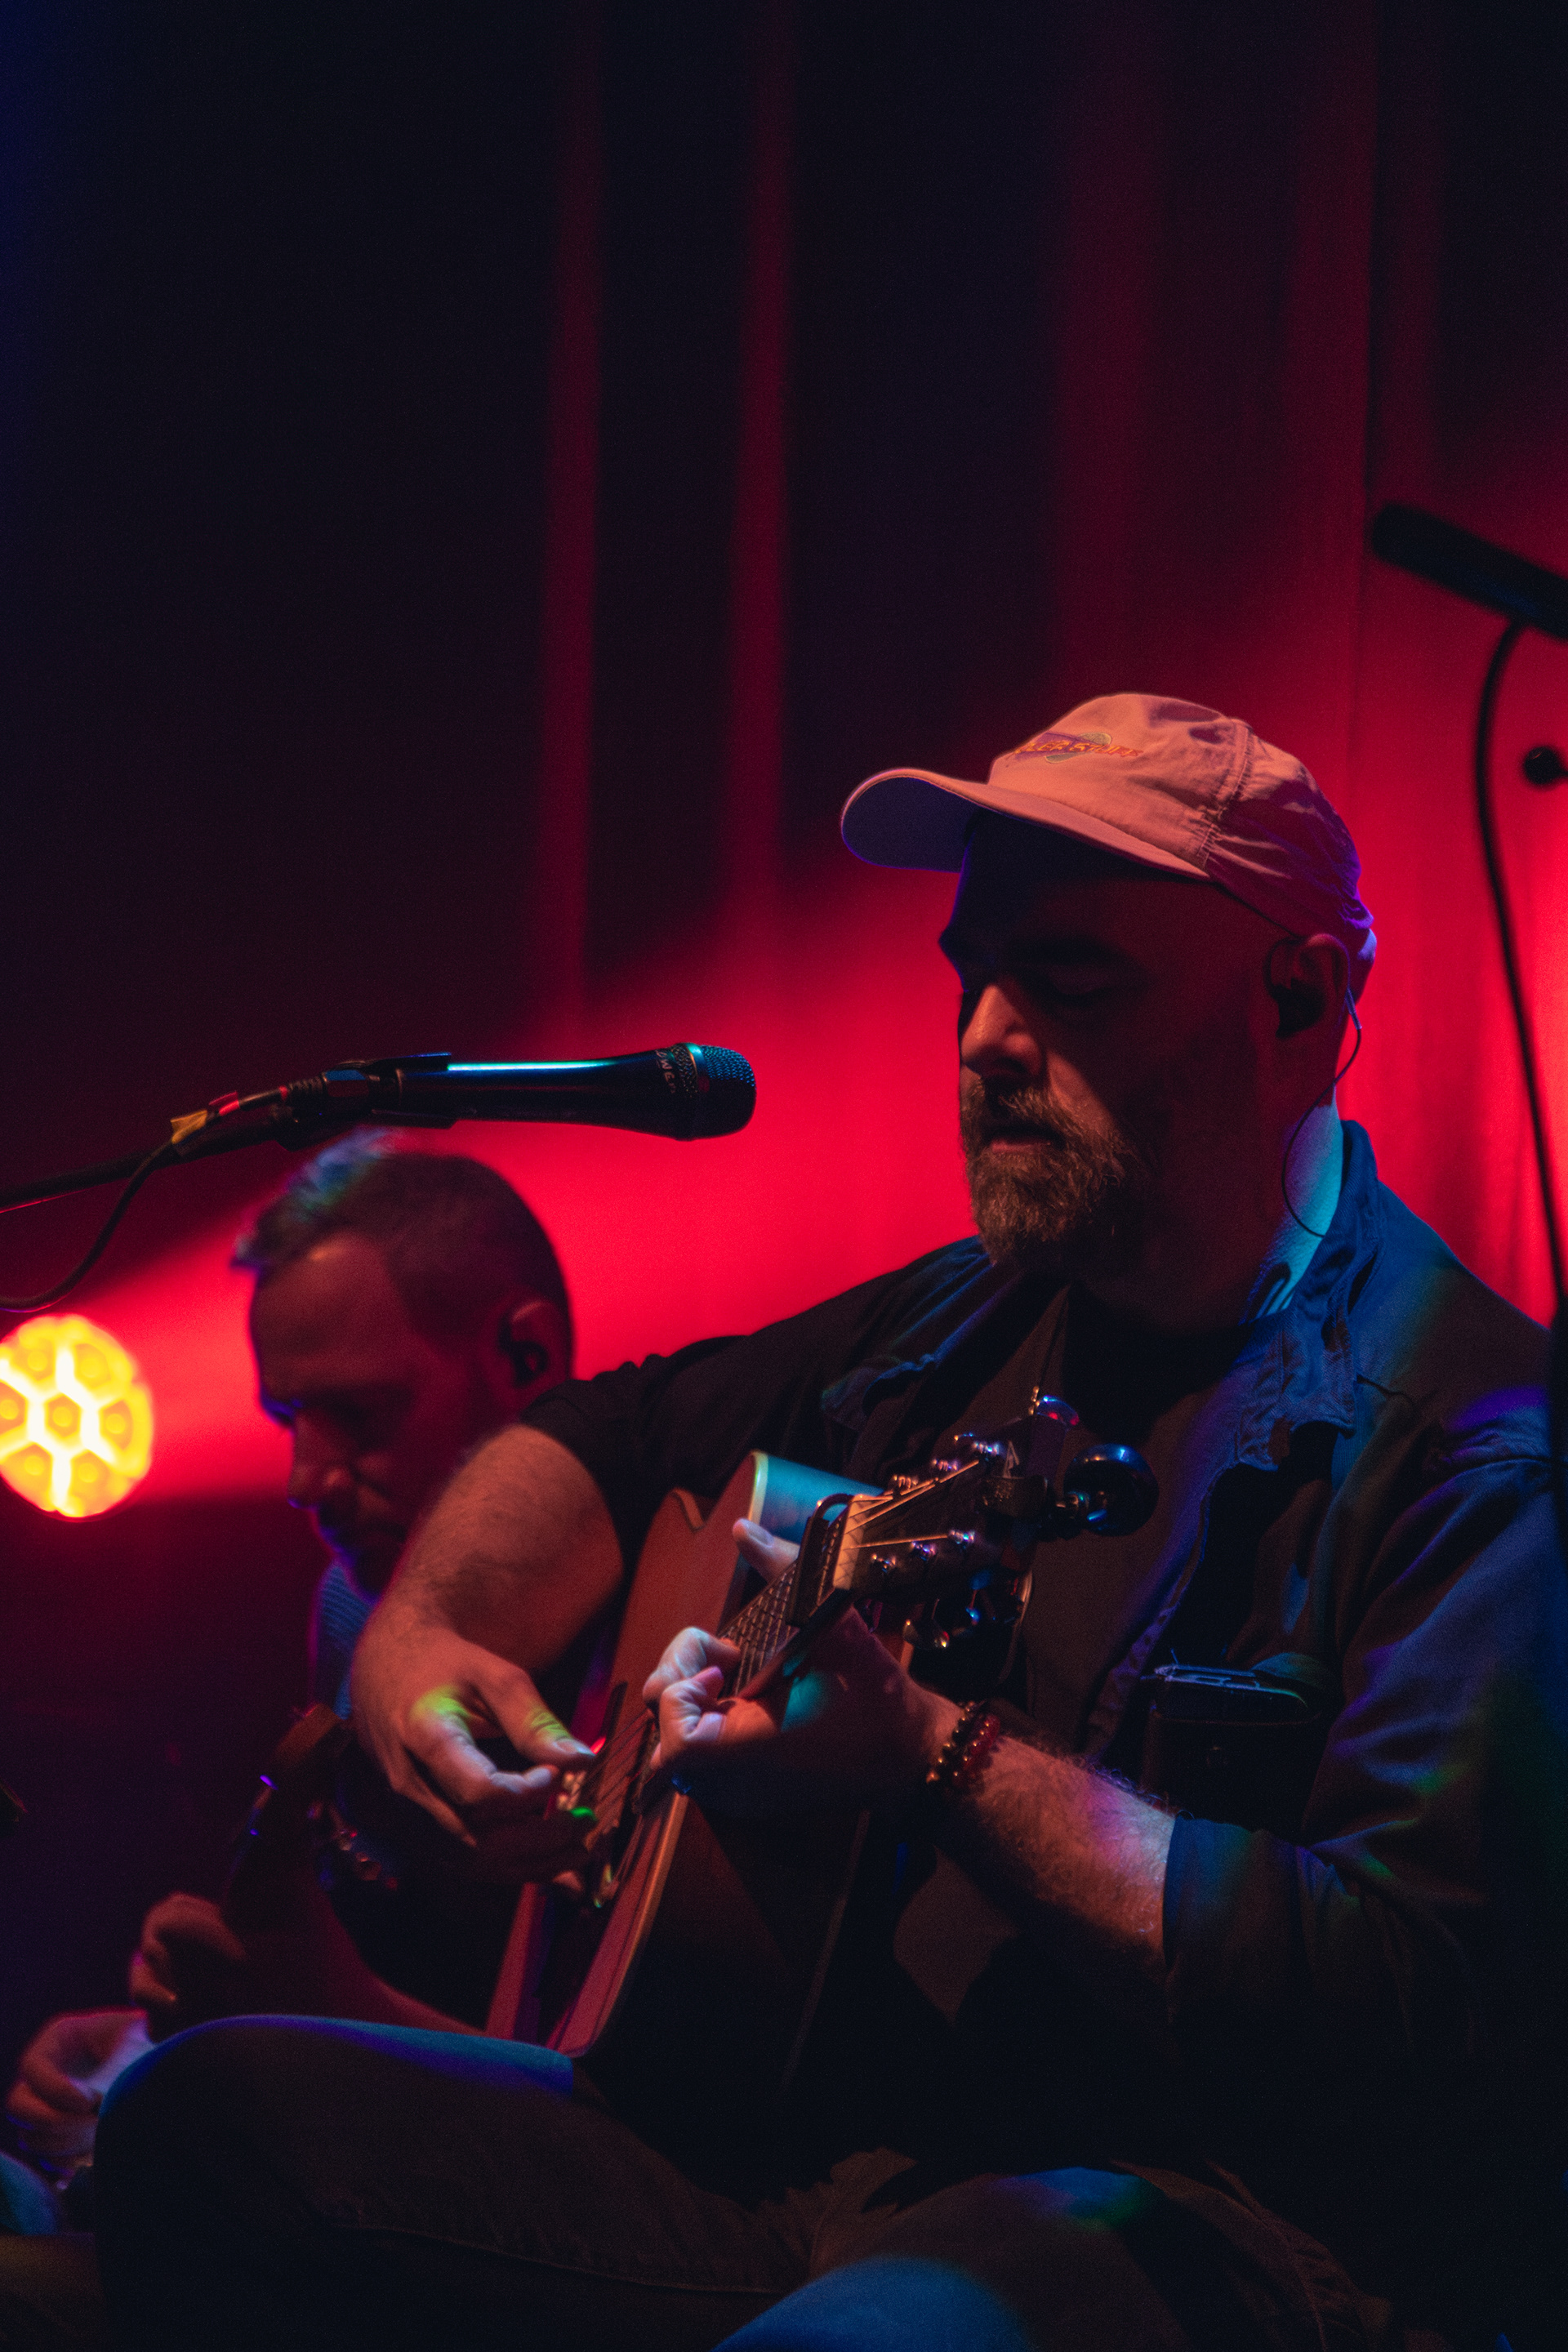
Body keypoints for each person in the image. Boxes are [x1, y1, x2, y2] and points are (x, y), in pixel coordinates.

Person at [94, 697, 1568, 2351]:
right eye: (973, 977)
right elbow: (613, 1431)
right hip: (817, 2161)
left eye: (1072, 983)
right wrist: (422, 1648)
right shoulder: (966, 1318)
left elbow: (1415, 2000)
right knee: (199, 2125)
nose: (986, 1039)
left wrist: (939, 1757)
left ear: (1297, 999)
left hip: (1202, 2224)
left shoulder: (1475, 1443)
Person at [6, 1138, 596, 2194]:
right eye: (288, 1422)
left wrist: (316, 2007)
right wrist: (147, 2040)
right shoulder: (347, 1606)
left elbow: (624, 2129)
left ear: (527, 1355)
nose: (303, 1479)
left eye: (360, 1415)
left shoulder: (661, 1614)